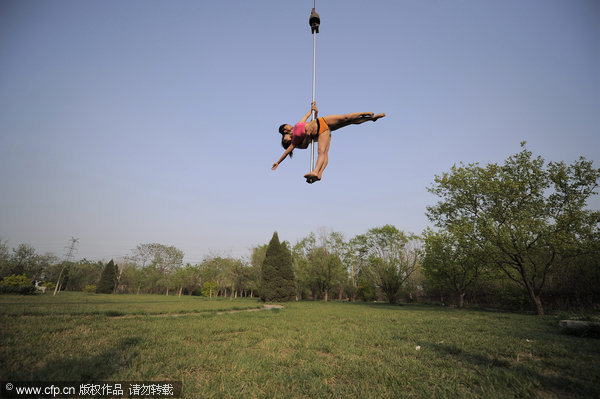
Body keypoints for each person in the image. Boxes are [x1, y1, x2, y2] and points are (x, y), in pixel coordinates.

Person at [271, 102, 385, 182]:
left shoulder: (297, 125)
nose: (287, 136)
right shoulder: (296, 142)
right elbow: (287, 152)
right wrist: (278, 162)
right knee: (322, 152)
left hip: (322, 121)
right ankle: (317, 172)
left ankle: (370, 118)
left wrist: (314, 109)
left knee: (346, 119)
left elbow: (308, 115)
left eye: (286, 135)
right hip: (322, 131)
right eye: (286, 137)